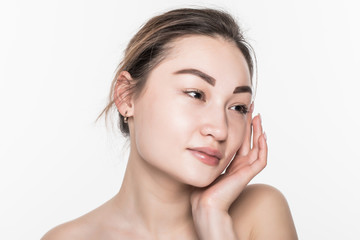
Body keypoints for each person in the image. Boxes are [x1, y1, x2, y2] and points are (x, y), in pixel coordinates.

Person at [42, 7, 298, 239]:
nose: (220, 130)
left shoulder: (260, 212)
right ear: (126, 96)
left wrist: (214, 220)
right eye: (196, 94)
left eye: (237, 107)